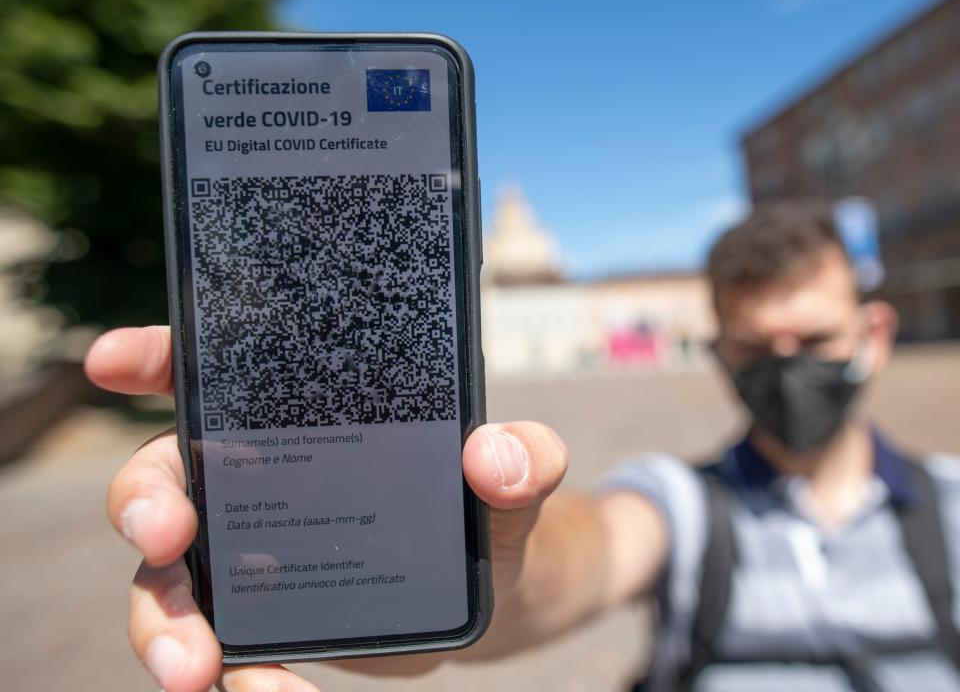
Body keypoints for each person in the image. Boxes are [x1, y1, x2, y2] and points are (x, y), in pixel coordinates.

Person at [85, 209, 960, 692]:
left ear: (873, 334)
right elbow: (566, 567)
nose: (787, 371)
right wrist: (444, 560)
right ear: (722, 352)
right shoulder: (685, 508)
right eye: (757, 349)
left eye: (812, 341)